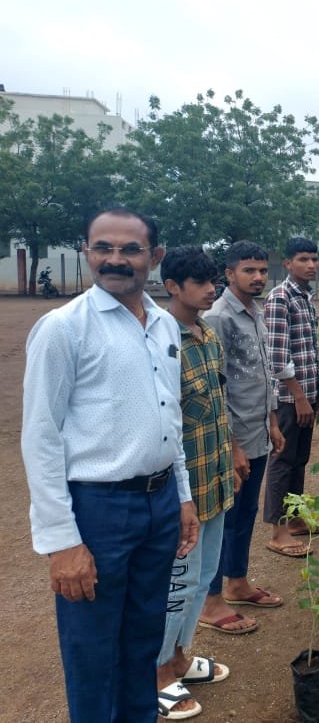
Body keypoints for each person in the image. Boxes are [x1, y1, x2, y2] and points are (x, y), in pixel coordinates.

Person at [21, 207, 198, 722]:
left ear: (155, 256)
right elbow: (41, 436)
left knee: (143, 639)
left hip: (159, 504)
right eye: (103, 248)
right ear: (87, 251)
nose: (115, 259)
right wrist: (62, 542)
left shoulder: (164, 326)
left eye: (130, 249)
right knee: (93, 649)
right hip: (97, 511)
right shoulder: (63, 329)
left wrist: (183, 495)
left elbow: (169, 417)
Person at [156, 246, 237, 720]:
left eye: (213, 281)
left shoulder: (206, 335)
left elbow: (217, 406)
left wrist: (235, 454)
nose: (212, 290)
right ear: (172, 287)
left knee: (203, 577)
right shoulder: (162, 342)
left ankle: (180, 657)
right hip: (184, 491)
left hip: (215, 478)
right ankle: (158, 672)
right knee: (177, 585)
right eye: (201, 283)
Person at [200, 241, 286, 633]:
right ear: (229, 273)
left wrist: (272, 421)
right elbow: (217, 387)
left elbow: (263, 372)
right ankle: (210, 600)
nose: (258, 277)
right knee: (223, 518)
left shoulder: (256, 311)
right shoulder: (219, 318)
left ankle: (237, 582)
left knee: (245, 513)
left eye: (262, 271)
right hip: (232, 437)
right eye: (249, 270)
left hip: (258, 429)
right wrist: (232, 446)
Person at [263, 237, 319, 558]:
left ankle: (296, 518)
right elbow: (278, 357)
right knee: (283, 461)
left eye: (314, 258)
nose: (311, 265)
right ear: (287, 263)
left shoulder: (306, 298)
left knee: (300, 460)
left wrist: (316, 394)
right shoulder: (280, 298)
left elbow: (309, 352)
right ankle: (278, 531)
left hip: (307, 395)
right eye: (303, 259)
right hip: (288, 399)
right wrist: (299, 396)